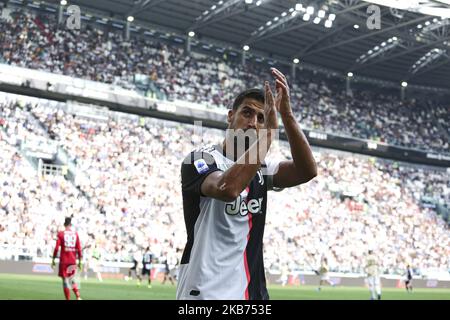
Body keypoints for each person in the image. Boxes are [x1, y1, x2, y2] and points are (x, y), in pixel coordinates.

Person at [177, 68, 317, 300]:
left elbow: (307, 171)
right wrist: (269, 135)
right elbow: (228, 188)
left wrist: (288, 116)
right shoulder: (199, 160)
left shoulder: (261, 167)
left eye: (261, 118)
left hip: (251, 293)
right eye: (247, 113)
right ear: (230, 115)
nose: (253, 123)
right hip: (204, 291)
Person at [52, 217, 83, 300]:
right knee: (72, 279)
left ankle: (68, 299)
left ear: (64, 224)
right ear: (70, 224)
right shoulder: (75, 234)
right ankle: (78, 296)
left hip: (64, 261)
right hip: (73, 261)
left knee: (65, 281)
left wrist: (53, 259)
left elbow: (56, 248)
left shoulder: (61, 234)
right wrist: (80, 261)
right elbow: (79, 249)